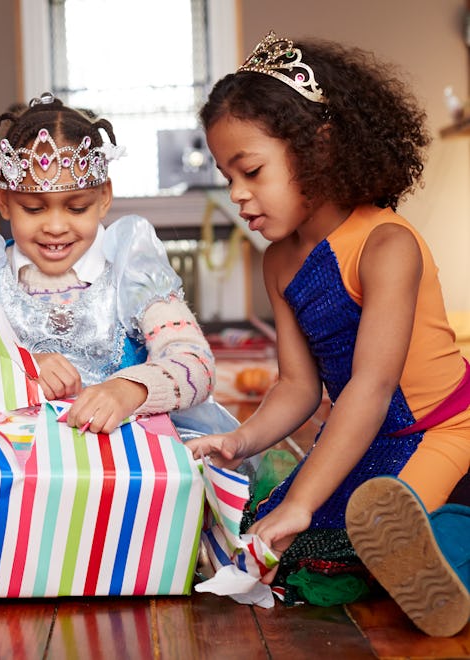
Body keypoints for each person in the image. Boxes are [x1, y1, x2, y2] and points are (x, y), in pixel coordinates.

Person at [186, 31, 470, 636]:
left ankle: (454, 544)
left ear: (319, 147)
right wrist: (238, 442)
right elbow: (297, 386)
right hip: (363, 434)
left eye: (252, 171)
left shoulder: (386, 244)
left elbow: (370, 387)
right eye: (226, 175)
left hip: (439, 426)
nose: (237, 195)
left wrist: (303, 499)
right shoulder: (278, 261)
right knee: (269, 534)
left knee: (356, 536)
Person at [0, 92, 224, 437]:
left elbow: (196, 365)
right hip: (12, 467)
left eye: (76, 208)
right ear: (4, 200)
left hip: (124, 463)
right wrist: (17, 369)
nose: (55, 226)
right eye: (33, 209)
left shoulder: (130, 272)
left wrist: (130, 389)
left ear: (104, 198)